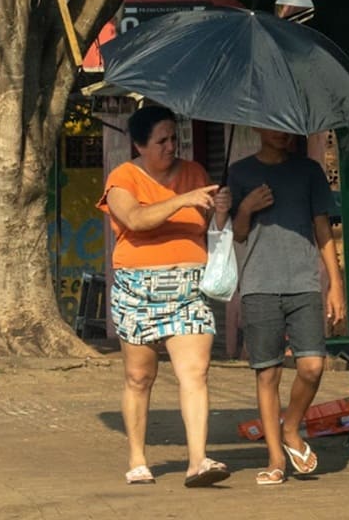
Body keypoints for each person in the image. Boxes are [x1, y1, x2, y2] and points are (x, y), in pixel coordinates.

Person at [97, 105, 232, 488]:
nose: (171, 146)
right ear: (140, 144)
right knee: (140, 376)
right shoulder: (123, 178)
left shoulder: (194, 174)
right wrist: (182, 200)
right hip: (138, 288)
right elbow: (135, 220)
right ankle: (138, 459)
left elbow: (209, 227)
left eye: (175, 138)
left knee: (195, 373)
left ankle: (198, 460)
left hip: (189, 287)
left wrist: (220, 210)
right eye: (162, 140)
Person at [227, 128, 347, 486]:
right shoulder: (239, 172)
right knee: (268, 373)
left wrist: (335, 284)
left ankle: (291, 427)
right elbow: (236, 233)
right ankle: (276, 456)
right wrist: (246, 207)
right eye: (274, 127)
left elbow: (322, 228)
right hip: (259, 285)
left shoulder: (309, 171)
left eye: (288, 129)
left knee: (312, 366)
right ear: (258, 127)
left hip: (303, 285)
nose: (282, 134)